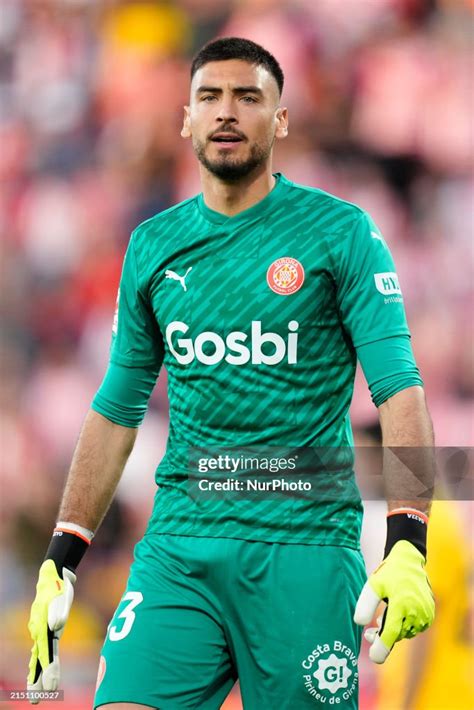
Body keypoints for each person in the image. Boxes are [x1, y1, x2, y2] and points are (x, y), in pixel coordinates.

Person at [27, 37, 436, 709]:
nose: (226, 112)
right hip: (180, 546)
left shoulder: (341, 234)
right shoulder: (154, 245)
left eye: (248, 97)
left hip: (303, 550)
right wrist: (60, 556)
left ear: (280, 120)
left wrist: (407, 543)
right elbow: (116, 407)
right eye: (209, 97)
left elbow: (398, 388)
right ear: (185, 118)